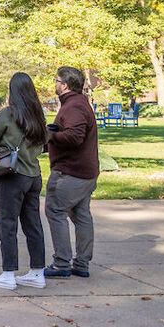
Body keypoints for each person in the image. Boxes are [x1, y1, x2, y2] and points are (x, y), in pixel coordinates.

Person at [0, 72, 48, 290]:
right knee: (33, 225)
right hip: (34, 175)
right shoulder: (39, 115)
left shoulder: (6, 115)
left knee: (8, 225)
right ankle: (37, 272)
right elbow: (43, 145)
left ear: (12, 91)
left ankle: (8, 274)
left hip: (13, 176)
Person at [44, 66, 100, 279]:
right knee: (81, 214)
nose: (55, 84)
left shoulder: (74, 106)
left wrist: (50, 135)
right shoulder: (79, 102)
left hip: (71, 172)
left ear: (64, 85)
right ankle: (82, 263)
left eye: (56, 81)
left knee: (55, 211)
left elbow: (75, 137)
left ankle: (61, 263)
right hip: (87, 171)